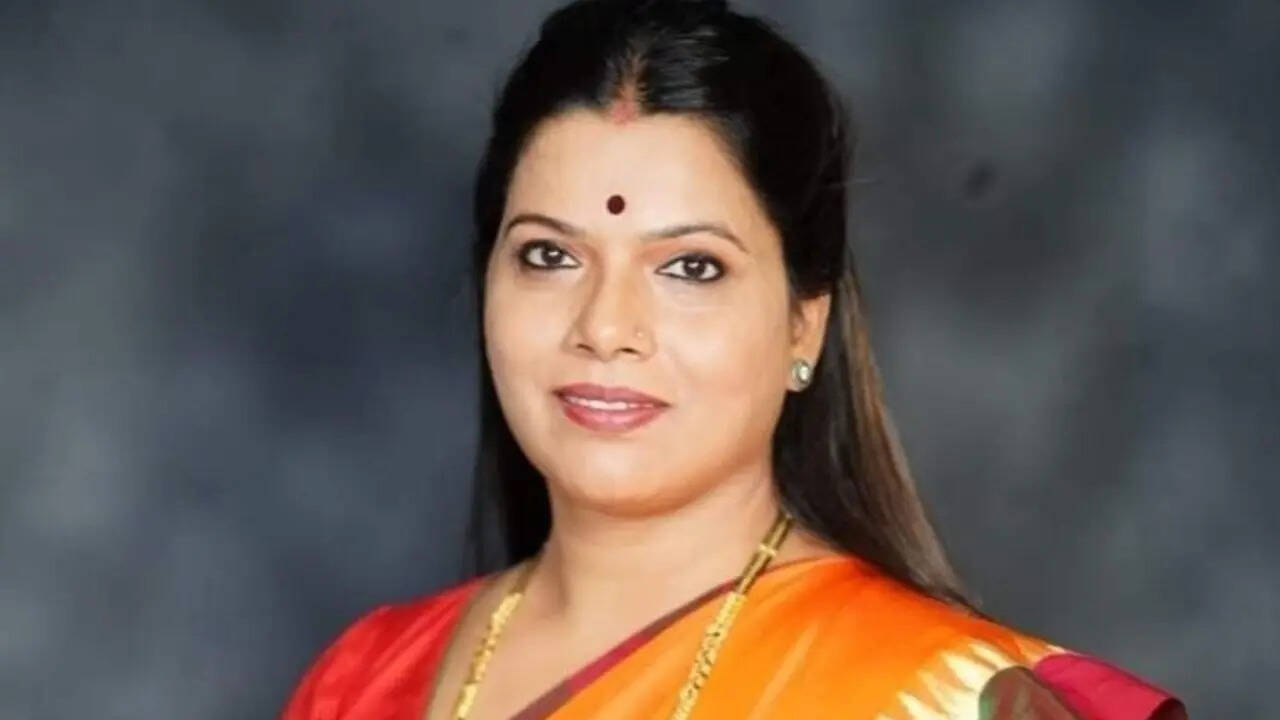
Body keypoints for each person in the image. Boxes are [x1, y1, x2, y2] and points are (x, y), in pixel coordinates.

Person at [280, 0, 1186, 717]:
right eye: (550, 256)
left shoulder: (937, 698)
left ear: (804, 324)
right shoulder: (362, 680)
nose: (606, 326)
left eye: (690, 267)